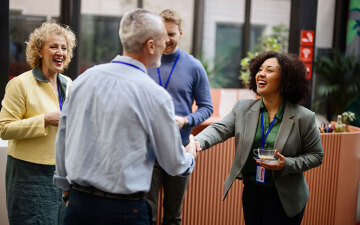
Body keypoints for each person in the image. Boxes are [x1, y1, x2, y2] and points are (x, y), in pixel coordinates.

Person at [53, 8, 198, 225]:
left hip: (79, 206)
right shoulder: (156, 96)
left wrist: (67, 191)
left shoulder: (83, 80)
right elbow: (173, 164)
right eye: (161, 40)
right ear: (150, 46)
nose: (164, 45)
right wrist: (190, 156)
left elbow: (62, 139)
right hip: (125, 212)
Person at [194, 51, 324, 225]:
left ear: (285, 79)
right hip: (252, 193)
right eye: (260, 69)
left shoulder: (304, 117)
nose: (261, 74)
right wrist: (197, 141)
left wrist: (286, 164)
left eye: (270, 70)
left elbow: (316, 156)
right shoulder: (242, 108)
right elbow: (219, 129)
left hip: (286, 198)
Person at [0, 21, 76, 225]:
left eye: (64, 47)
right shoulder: (20, 84)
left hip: (60, 174)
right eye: (53, 46)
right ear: (39, 51)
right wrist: (44, 120)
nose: (60, 51)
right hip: (28, 175)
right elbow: (4, 129)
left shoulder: (68, 84)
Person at [145, 9, 213, 225]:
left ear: (180, 34)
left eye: (171, 34)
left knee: (173, 216)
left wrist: (186, 120)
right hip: (147, 150)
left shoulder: (194, 66)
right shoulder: (144, 62)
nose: (166, 39)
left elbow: (206, 107)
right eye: (162, 33)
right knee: (147, 212)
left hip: (179, 148)